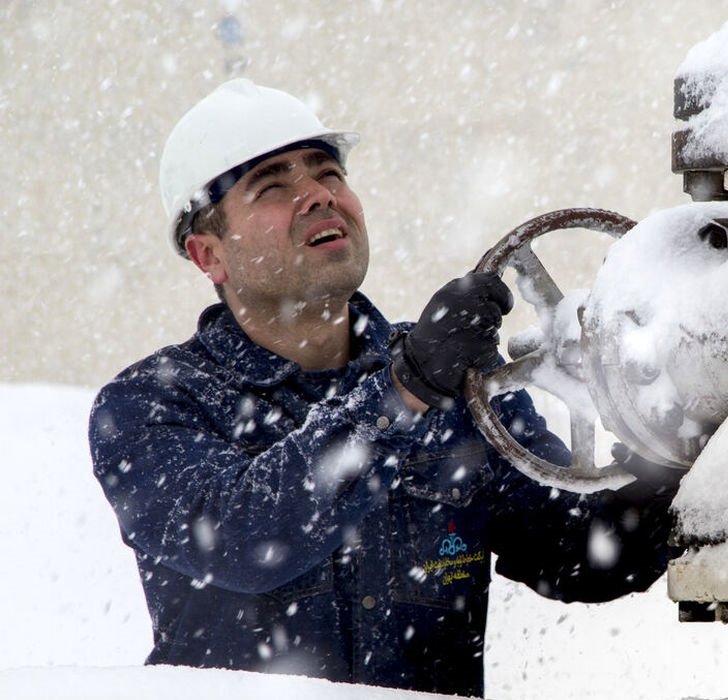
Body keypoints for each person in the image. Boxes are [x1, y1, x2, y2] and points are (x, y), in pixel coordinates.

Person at [89, 78, 680, 697]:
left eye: (328, 174)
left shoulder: (460, 384)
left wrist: (670, 444)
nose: (318, 196)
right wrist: (403, 391)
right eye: (274, 186)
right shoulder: (150, 406)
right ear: (209, 254)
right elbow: (245, 538)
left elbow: (581, 554)